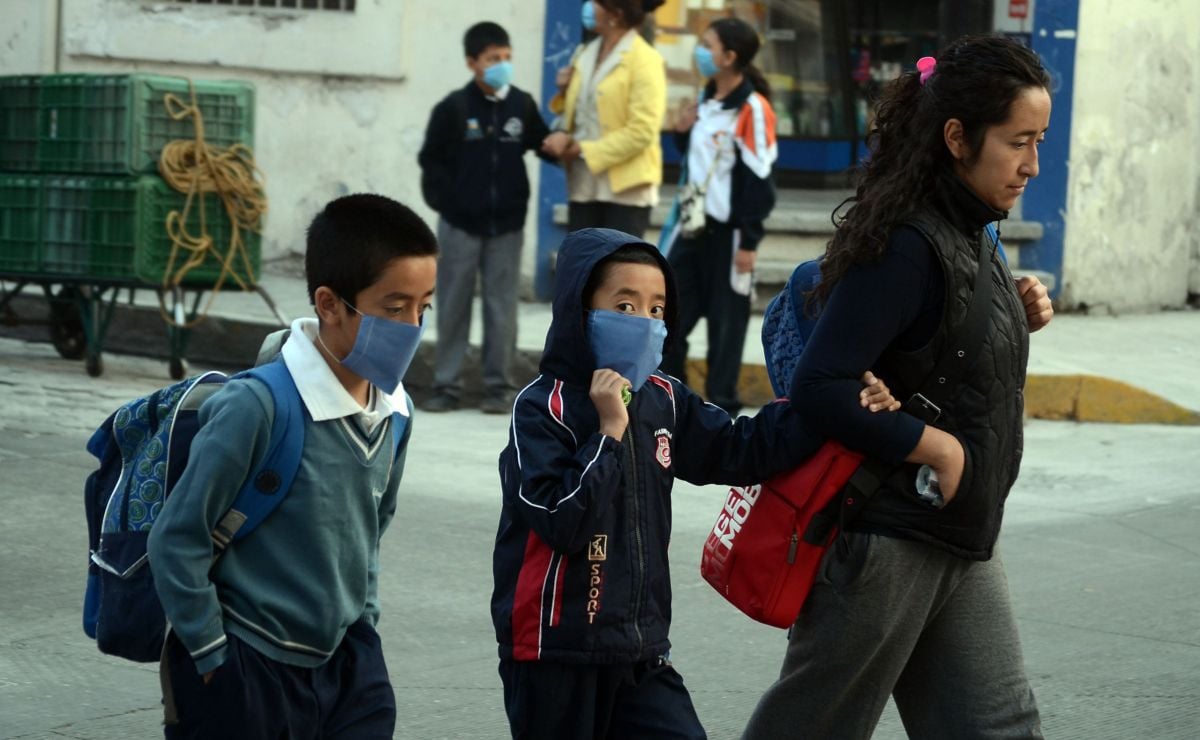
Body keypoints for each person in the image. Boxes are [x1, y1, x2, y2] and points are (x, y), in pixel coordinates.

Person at [742, 35, 1055, 739]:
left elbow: (936, 357)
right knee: (815, 726)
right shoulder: (909, 243)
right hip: (888, 542)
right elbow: (823, 383)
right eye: (1018, 143)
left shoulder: (976, 231)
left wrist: (1017, 314)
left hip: (961, 535)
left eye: (1039, 141)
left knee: (1000, 727)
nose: (1032, 165)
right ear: (956, 137)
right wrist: (938, 449)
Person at [489, 228, 899, 739]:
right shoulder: (541, 407)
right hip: (555, 652)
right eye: (625, 305)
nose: (645, 322)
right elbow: (560, 520)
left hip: (640, 650)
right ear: (579, 309)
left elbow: (742, 448)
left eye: (658, 309)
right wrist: (608, 431)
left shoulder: (664, 397)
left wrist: (833, 402)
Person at [147, 194, 438, 739]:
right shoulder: (257, 406)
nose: (414, 326)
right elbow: (177, 538)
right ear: (329, 304)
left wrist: (364, 626)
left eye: (425, 306)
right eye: (394, 309)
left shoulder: (397, 411)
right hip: (250, 659)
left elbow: (372, 530)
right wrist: (212, 655)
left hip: (349, 667)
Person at [418, 21, 551, 414]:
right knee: (453, 305)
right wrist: (448, 203)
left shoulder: (522, 105)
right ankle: (447, 385)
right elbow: (431, 159)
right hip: (460, 226)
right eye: (494, 59)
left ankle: (499, 387)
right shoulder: (454, 108)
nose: (502, 65)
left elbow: (541, 143)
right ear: (472, 62)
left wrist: (560, 143)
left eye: (507, 58)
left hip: (506, 227)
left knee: (501, 308)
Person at [660, 17, 778, 416]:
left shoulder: (753, 109)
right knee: (667, 320)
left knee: (726, 332)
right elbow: (699, 163)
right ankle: (673, 400)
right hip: (691, 230)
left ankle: (720, 412)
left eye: (707, 45)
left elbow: (759, 180)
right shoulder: (704, 99)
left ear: (729, 57)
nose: (699, 50)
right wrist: (681, 132)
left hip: (730, 236)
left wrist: (749, 241)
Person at [542, 0, 667, 238]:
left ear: (615, 14)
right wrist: (563, 94)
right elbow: (580, 112)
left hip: (626, 189)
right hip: (584, 184)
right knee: (583, 268)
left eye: (596, 3)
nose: (589, 8)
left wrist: (583, 150)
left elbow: (642, 131)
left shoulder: (645, 59)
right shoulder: (585, 52)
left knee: (616, 269)